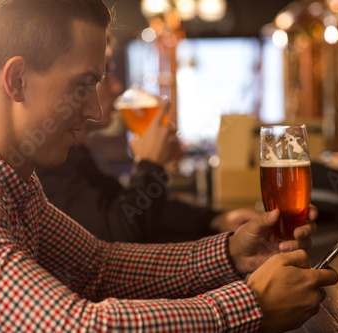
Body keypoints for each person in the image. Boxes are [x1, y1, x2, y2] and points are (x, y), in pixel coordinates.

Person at [0, 0, 338, 332]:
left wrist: (234, 254)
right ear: (17, 80)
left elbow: (99, 267)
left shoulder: (8, 176)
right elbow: (76, 326)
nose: (96, 110)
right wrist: (253, 306)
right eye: (82, 85)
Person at [36, 41, 261, 243]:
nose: (117, 87)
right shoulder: (47, 164)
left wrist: (217, 220)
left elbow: (145, 212)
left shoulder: (78, 156)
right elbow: (115, 237)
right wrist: (150, 163)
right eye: (102, 77)